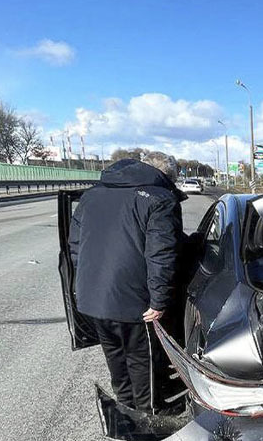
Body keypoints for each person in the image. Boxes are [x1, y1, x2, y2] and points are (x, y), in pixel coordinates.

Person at [68, 153, 183, 414]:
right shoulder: (160, 199)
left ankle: (126, 405)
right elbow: (161, 254)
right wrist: (159, 299)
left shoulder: (91, 196)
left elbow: (75, 247)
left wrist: (91, 281)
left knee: (116, 356)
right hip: (135, 299)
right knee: (142, 359)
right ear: (167, 177)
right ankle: (149, 413)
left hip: (93, 296)